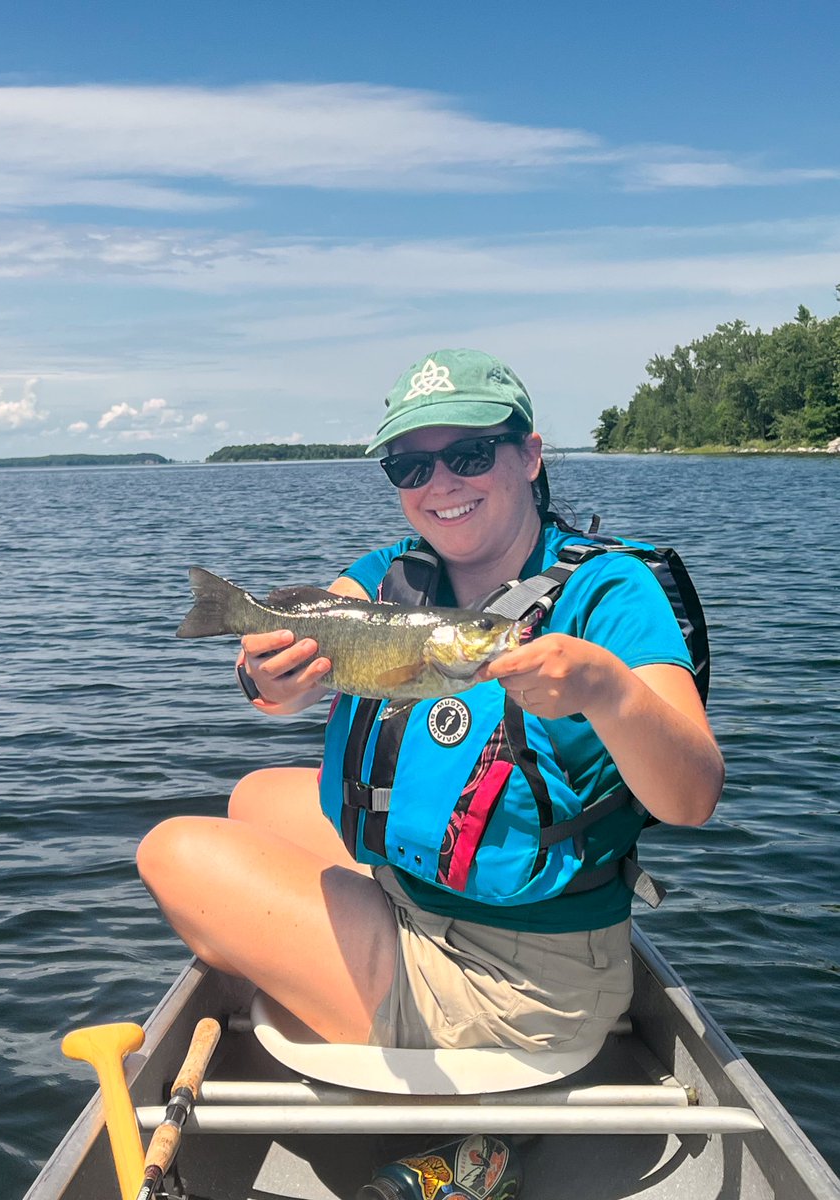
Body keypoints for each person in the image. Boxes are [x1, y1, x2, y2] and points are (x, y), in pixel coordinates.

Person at [137, 348, 724, 1062]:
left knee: (172, 852)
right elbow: (298, 648)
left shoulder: (610, 591)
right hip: (425, 892)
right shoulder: (391, 574)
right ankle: (348, 937)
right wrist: (266, 677)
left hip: (523, 981)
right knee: (254, 796)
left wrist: (608, 691)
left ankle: (371, 986)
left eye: (469, 454)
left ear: (530, 455)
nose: (439, 482)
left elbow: (692, 799)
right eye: (409, 467)